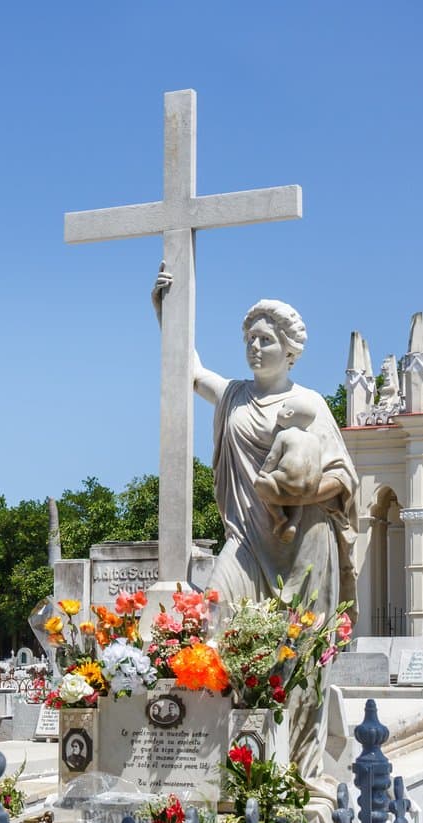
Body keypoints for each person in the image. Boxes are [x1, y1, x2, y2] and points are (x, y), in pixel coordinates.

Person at [152, 264, 357, 772]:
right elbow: (193, 372)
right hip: (247, 537)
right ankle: (217, 757)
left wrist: (306, 488)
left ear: (289, 349)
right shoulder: (236, 396)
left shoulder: (308, 404)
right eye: (249, 338)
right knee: (214, 618)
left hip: (304, 544)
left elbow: (344, 478)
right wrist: (166, 313)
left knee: (298, 653)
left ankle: (294, 769)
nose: (255, 347)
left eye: (265, 339)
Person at [255, 393, 323, 543]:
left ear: (289, 413)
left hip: (288, 477)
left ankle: (279, 517)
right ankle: (292, 524)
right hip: (311, 485)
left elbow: (272, 457)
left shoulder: (284, 434)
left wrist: (264, 472)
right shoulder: (314, 439)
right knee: (298, 500)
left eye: (283, 407)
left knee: (261, 484)